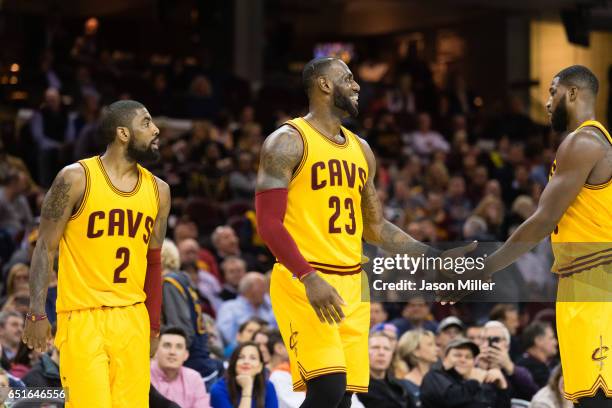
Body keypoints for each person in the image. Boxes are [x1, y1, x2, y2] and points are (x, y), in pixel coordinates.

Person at [255, 56, 474, 408]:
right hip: (305, 280)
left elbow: (375, 227)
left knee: (344, 397)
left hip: (353, 284)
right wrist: (308, 277)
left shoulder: (362, 150)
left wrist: (433, 259)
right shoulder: (287, 141)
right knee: (327, 388)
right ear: (325, 85)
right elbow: (268, 224)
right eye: (349, 78)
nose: (357, 86)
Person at [450, 65, 612, 406]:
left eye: (552, 91)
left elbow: (541, 220)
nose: (547, 102)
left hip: (596, 279)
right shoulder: (592, 141)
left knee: (597, 399)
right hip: (583, 278)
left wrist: (486, 267)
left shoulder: (583, 141)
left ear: (572, 93)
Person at [22, 100, 171, 407]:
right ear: (123, 134)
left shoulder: (159, 190)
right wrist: (36, 311)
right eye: (146, 123)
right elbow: (45, 247)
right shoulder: (75, 178)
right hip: (82, 315)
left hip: (132, 318)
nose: (155, 130)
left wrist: (154, 326)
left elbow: (153, 263)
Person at [420, 338, 510, 408]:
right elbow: (450, 399)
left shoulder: (480, 384)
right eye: (457, 355)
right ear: (445, 359)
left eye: (468, 357)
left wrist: (502, 387)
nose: (463, 360)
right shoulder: (434, 376)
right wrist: (474, 381)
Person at [150, 327, 211, 408]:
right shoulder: (145, 374)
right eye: (167, 345)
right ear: (156, 351)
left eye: (179, 347)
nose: (172, 352)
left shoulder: (194, 378)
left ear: (186, 355)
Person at [477, 321, 539, 400]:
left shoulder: (520, 371)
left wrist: (510, 368)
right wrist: (480, 370)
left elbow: (535, 396)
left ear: (507, 346)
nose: (489, 345)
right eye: (484, 339)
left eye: (495, 340)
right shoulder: (469, 367)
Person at [210, 341, 278, 408]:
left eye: (253, 358)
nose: (246, 362)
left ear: (260, 367)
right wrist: (247, 389)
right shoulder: (218, 389)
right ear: (234, 363)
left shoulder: (268, 386)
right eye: (241, 357)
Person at [357, 332, 413, 408]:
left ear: (392, 354)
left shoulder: (399, 387)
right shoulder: (357, 388)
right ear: (364, 351)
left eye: (386, 349)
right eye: (375, 347)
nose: (381, 353)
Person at [397, 329, 439, 407]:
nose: (437, 349)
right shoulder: (403, 385)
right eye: (430, 345)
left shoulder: (440, 379)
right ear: (416, 352)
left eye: (435, 344)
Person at [516, 322, 558, 388]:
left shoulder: (554, 363)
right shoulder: (523, 367)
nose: (556, 342)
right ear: (538, 340)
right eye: (551, 338)